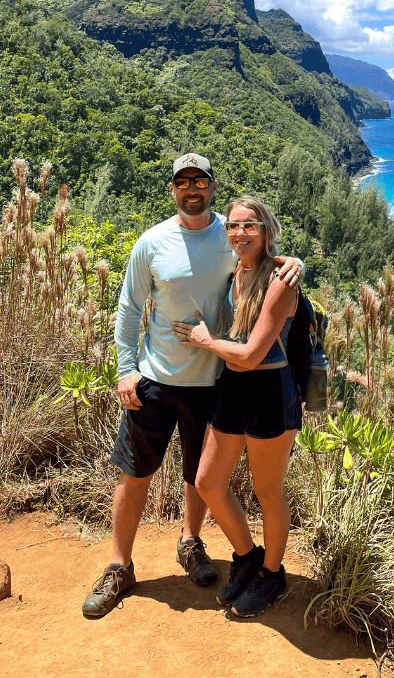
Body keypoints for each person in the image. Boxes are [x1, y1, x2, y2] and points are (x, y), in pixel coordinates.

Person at [81, 155, 303, 618]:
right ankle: (122, 567)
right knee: (147, 473)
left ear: (212, 186)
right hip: (159, 379)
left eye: (199, 180)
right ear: (173, 189)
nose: (192, 188)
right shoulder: (155, 242)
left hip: (224, 384)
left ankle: (208, 550)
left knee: (217, 482)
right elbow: (127, 310)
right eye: (183, 182)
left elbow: (266, 263)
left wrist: (294, 261)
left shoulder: (239, 243)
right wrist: (126, 368)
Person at [171, 194, 301, 617]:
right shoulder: (237, 273)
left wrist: (205, 340)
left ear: (266, 229)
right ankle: (246, 557)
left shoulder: (280, 282)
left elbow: (251, 355)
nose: (240, 233)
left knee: (267, 493)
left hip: (269, 391)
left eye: (250, 225)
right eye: (233, 225)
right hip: (233, 388)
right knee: (208, 480)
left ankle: (271, 574)